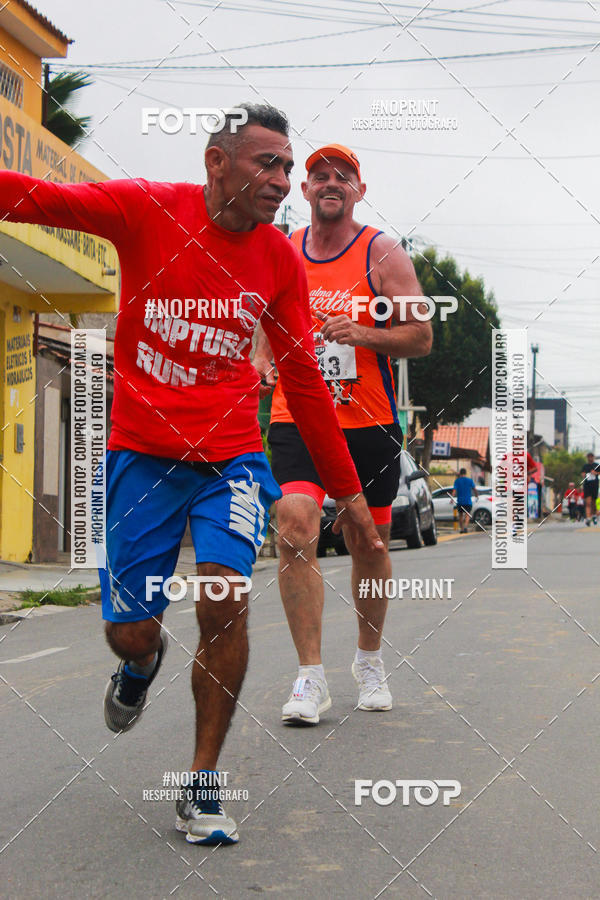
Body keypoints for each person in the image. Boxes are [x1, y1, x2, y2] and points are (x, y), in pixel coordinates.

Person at [0, 106, 384, 845]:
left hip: (232, 460)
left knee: (223, 601)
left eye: (286, 166)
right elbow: (36, 198)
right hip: (142, 454)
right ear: (217, 163)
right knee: (130, 630)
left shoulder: (277, 261)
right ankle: (140, 667)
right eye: (267, 164)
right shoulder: (144, 209)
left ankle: (202, 783)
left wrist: (351, 495)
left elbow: (302, 381)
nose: (282, 182)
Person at [253, 143, 432, 724]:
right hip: (297, 415)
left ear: (359, 189)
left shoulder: (381, 253)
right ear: (303, 191)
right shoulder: (280, 250)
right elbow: (260, 317)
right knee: (297, 523)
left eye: (343, 177)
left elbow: (421, 337)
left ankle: (369, 658)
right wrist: (262, 358)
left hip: (369, 421)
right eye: (319, 176)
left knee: (369, 543)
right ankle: (310, 677)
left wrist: (362, 332)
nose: (331, 183)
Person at [452, 468, 478, 533]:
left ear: (460, 473)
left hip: (460, 502)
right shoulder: (470, 480)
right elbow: (474, 489)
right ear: (465, 473)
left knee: (460, 515)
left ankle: (462, 529)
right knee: (467, 514)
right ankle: (466, 527)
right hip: (468, 502)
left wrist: (452, 498)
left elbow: (454, 491)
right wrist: (476, 495)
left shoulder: (457, 481)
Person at [581, 452, 600, 526]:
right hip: (587, 485)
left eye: (591, 457)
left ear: (593, 457)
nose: (590, 458)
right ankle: (588, 518)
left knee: (593, 502)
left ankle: (594, 516)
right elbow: (582, 473)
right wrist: (585, 474)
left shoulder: (596, 465)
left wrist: (595, 473)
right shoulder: (585, 466)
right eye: (589, 457)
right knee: (588, 502)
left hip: (594, 485)